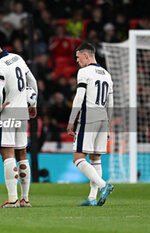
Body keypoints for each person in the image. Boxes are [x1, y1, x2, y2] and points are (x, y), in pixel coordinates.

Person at [0, 34, 38, 208]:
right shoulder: (17, 58)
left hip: (7, 113)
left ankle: (12, 200)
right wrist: (33, 102)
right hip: (22, 112)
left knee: (7, 154)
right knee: (22, 154)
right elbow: (32, 81)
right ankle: (25, 199)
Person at [67, 42, 114, 206]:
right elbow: (111, 103)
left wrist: (71, 120)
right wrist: (108, 125)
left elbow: (79, 97)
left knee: (78, 158)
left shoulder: (84, 72)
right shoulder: (107, 74)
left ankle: (103, 185)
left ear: (86, 55)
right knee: (95, 158)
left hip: (89, 117)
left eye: (78, 57)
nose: (77, 61)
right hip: (103, 118)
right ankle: (92, 198)